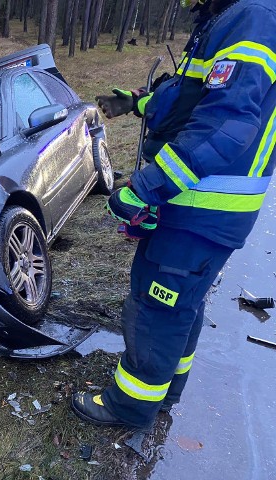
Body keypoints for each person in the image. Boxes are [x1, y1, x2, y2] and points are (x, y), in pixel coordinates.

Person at [71, 0, 276, 431]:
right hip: (206, 211)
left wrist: (144, 188)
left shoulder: (252, 18)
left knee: (155, 307)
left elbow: (225, 128)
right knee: (183, 303)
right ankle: (168, 389)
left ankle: (129, 407)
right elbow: (191, 100)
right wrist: (139, 102)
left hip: (202, 208)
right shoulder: (231, 19)